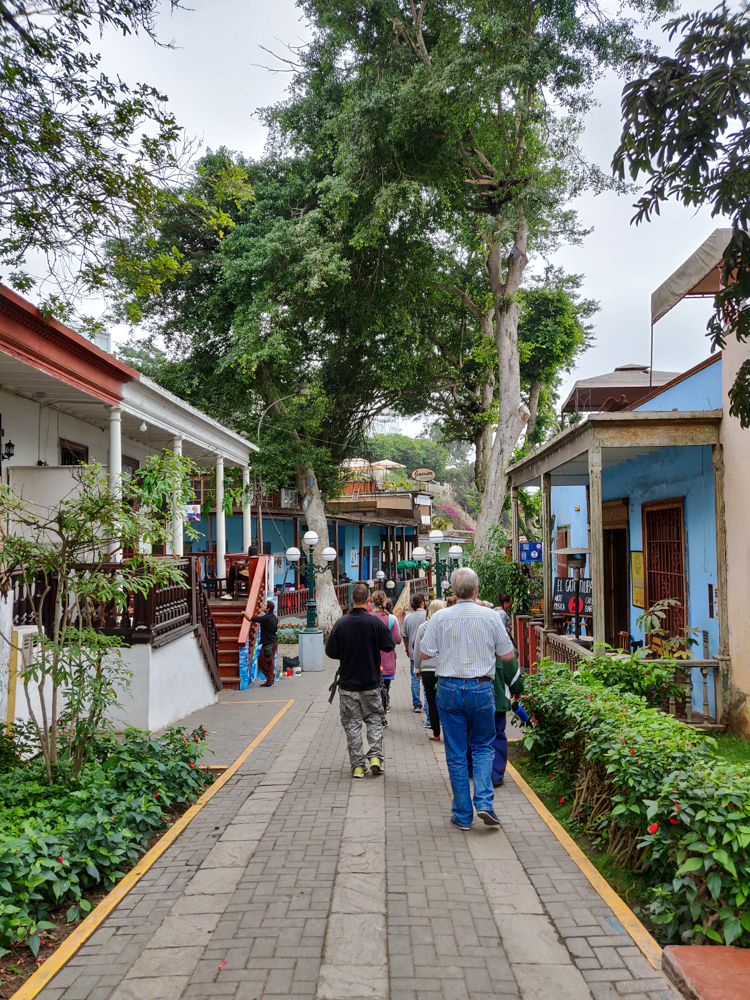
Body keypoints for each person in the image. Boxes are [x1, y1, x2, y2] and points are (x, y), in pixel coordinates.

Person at [419, 566, 515, 830]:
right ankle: (484, 803)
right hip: (481, 688)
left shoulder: (440, 618)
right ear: (476, 590)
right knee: (483, 746)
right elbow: (508, 655)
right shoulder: (491, 617)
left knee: (456, 752)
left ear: (453, 590)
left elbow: (425, 653)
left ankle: (462, 815)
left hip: (448, 689)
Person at [325, 582, 396, 778]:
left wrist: (346, 653)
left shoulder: (341, 623)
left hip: (348, 684)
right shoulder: (375, 623)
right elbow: (390, 645)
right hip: (371, 682)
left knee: (352, 725)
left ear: (351, 600)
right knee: (374, 720)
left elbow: (330, 651)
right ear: (367, 600)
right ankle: (375, 758)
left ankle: (357, 766)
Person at [412, 599, 445, 741]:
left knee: (431, 700)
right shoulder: (446, 626)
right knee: (445, 701)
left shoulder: (423, 627)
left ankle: (436, 733)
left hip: (427, 668)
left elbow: (418, 649)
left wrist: (417, 667)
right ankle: (449, 733)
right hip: (444, 668)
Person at [491, 649, 524, 787]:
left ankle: (470, 770)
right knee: (497, 735)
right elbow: (513, 675)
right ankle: (495, 775)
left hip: (464, 697)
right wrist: (516, 690)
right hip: (496, 699)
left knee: (471, 732)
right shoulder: (502, 643)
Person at [370, 591, 402, 714]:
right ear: (384, 601)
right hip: (387, 660)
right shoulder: (391, 619)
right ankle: (383, 712)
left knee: (372, 690)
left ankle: (374, 714)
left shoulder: (368, 617)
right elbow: (398, 640)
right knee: (385, 690)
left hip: (371, 660)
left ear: (372, 601)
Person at [243, 599, 278, 687]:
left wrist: (244, 613)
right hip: (273, 642)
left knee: (261, 661)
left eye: (265, 605)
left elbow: (251, 618)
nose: (262, 606)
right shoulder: (274, 617)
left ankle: (270, 678)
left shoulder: (266, 618)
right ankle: (270, 679)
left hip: (269, 643)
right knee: (270, 662)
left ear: (268, 609)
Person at [402, 594, 426, 714]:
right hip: (427, 652)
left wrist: (407, 649)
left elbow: (404, 635)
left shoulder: (408, 617)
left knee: (414, 677)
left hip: (412, 651)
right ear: (422, 602)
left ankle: (416, 704)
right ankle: (427, 704)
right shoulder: (428, 616)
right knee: (426, 678)